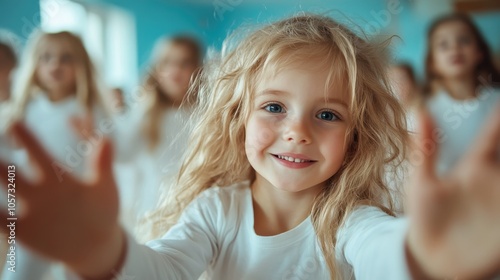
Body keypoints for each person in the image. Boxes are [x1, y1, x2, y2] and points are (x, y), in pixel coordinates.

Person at [1, 14, 500, 280]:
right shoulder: (218, 211)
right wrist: (101, 251)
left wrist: (427, 261)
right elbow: (161, 270)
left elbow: (384, 252)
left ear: (355, 139)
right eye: (274, 108)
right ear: (239, 118)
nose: (297, 131)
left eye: (327, 115)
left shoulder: (351, 220)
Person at [0, 30, 108, 280]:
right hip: (34, 214)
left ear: (82, 65)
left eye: (66, 58)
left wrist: (93, 138)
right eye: (46, 58)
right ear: (34, 65)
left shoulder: (90, 112)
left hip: (77, 214)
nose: (55, 65)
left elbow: (109, 159)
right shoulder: (23, 111)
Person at [113, 35, 202, 231]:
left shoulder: (204, 113)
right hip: (154, 207)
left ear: (198, 68)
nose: (175, 70)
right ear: (156, 71)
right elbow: (123, 153)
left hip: (197, 205)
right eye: (167, 63)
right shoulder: (146, 114)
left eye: (184, 63)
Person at [423, 13, 500, 175]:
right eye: (443, 44)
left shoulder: (496, 102)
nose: (455, 48)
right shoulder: (426, 113)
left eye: (464, 40)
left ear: (480, 52)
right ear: (432, 63)